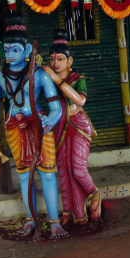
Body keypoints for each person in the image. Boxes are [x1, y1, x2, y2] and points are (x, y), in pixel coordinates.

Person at [0, 15, 67, 239]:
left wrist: (50, 120)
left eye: (16, 50)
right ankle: (30, 219)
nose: (10, 56)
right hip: (14, 127)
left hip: (39, 127)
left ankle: (54, 222)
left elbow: (55, 107)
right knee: (23, 175)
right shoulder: (0, 77)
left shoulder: (39, 75)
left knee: (47, 174)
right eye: (7, 50)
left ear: (28, 49)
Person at [43, 29, 101, 226]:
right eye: (52, 59)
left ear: (69, 61)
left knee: (77, 169)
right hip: (58, 127)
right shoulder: (47, 80)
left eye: (60, 58)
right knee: (63, 171)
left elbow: (80, 101)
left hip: (77, 127)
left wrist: (56, 79)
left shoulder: (77, 79)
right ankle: (70, 210)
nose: (55, 63)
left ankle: (94, 194)